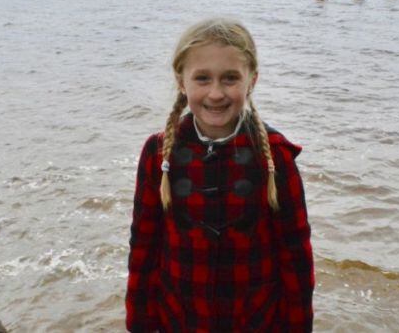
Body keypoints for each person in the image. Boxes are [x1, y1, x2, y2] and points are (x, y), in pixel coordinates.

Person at [126, 18, 315, 332]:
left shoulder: (276, 157)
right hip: (178, 322)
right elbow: (143, 247)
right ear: (180, 80)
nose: (216, 93)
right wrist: (139, 324)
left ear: (251, 80)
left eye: (230, 78)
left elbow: (296, 256)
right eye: (202, 78)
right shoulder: (158, 154)